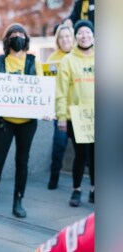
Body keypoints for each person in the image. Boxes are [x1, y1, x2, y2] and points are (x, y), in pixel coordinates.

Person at [0, 23, 43, 221]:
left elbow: (41, 90)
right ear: (7, 39)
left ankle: (18, 201)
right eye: (14, 34)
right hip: (5, 121)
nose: (18, 36)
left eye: (21, 33)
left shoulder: (33, 62)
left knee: (22, 162)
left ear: (26, 39)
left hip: (28, 122)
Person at [56, 20, 95, 207]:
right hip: (77, 117)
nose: (84, 35)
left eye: (88, 32)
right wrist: (61, 116)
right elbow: (61, 91)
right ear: (75, 36)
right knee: (81, 154)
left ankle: (95, 189)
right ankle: (77, 189)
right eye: (80, 33)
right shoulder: (68, 60)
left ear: (93, 35)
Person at [46, 24, 75, 190]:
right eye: (61, 37)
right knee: (59, 145)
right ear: (58, 39)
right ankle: (54, 175)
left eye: (68, 36)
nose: (65, 40)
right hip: (60, 111)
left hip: (79, 111)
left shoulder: (79, 55)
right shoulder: (53, 58)